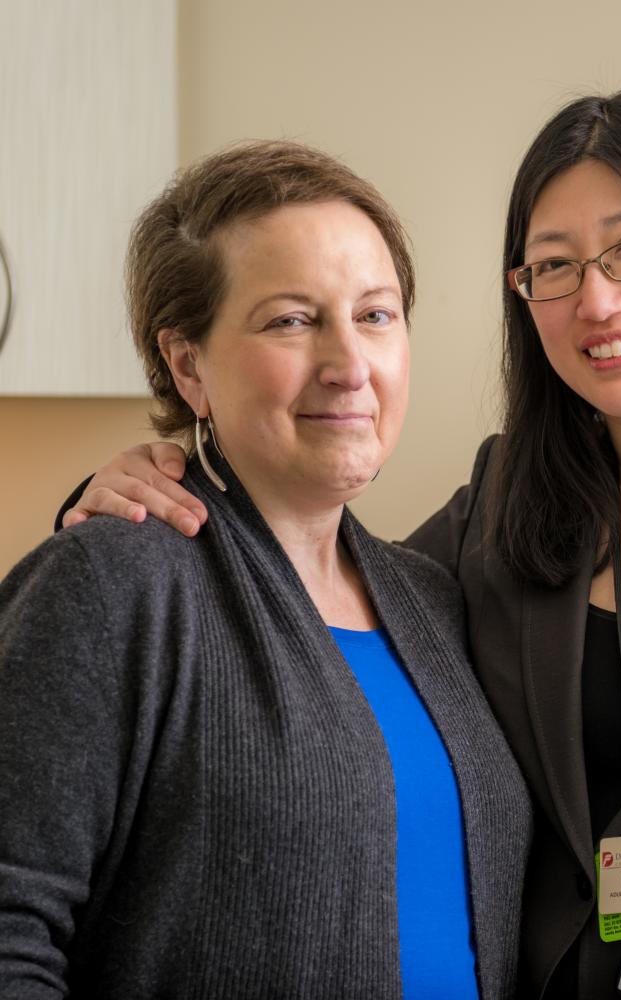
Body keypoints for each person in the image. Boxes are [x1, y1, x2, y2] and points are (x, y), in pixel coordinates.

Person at [54, 90, 621, 999]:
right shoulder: (507, 507)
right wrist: (122, 498)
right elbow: (297, 578)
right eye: (553, 265)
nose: (596, 300)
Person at [0, 141, 531, 999]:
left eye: (375, 314)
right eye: (291, 319)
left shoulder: (435, 599)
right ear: (187, 365)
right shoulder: (112, 586)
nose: (349, 365)